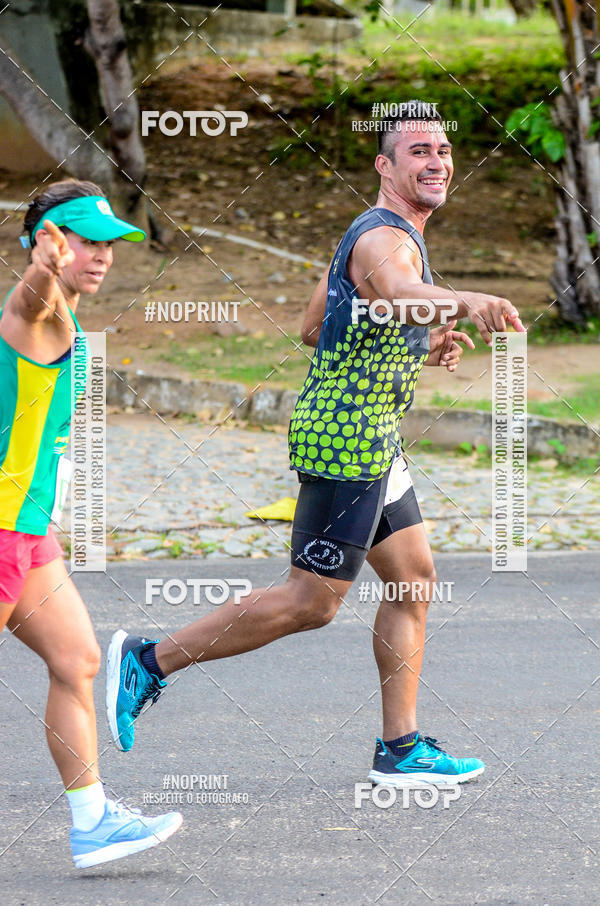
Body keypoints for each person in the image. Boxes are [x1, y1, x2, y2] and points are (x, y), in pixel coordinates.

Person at [106, 105, 525, 787]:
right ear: (385, 166)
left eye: (444, 151)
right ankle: (148, 661)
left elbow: (315, 326)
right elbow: (393, 291)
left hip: (373, 436)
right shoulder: (384, 240)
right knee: (312, 601)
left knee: (413, 579)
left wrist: (418, 340)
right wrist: (458, 302)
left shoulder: (377, 234)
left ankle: (401, 747)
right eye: (419, 150)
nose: (437, 162)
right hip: (346, 443)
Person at [0, 179, 183, 868]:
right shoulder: (39, 311)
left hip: (26, 527)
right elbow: (29, 301)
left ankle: (94, 822)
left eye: (108, 242)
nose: (101, 255)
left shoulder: (67, 319)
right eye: (84, 240)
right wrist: (41, 273)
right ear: (46, 242)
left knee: (77, 661)